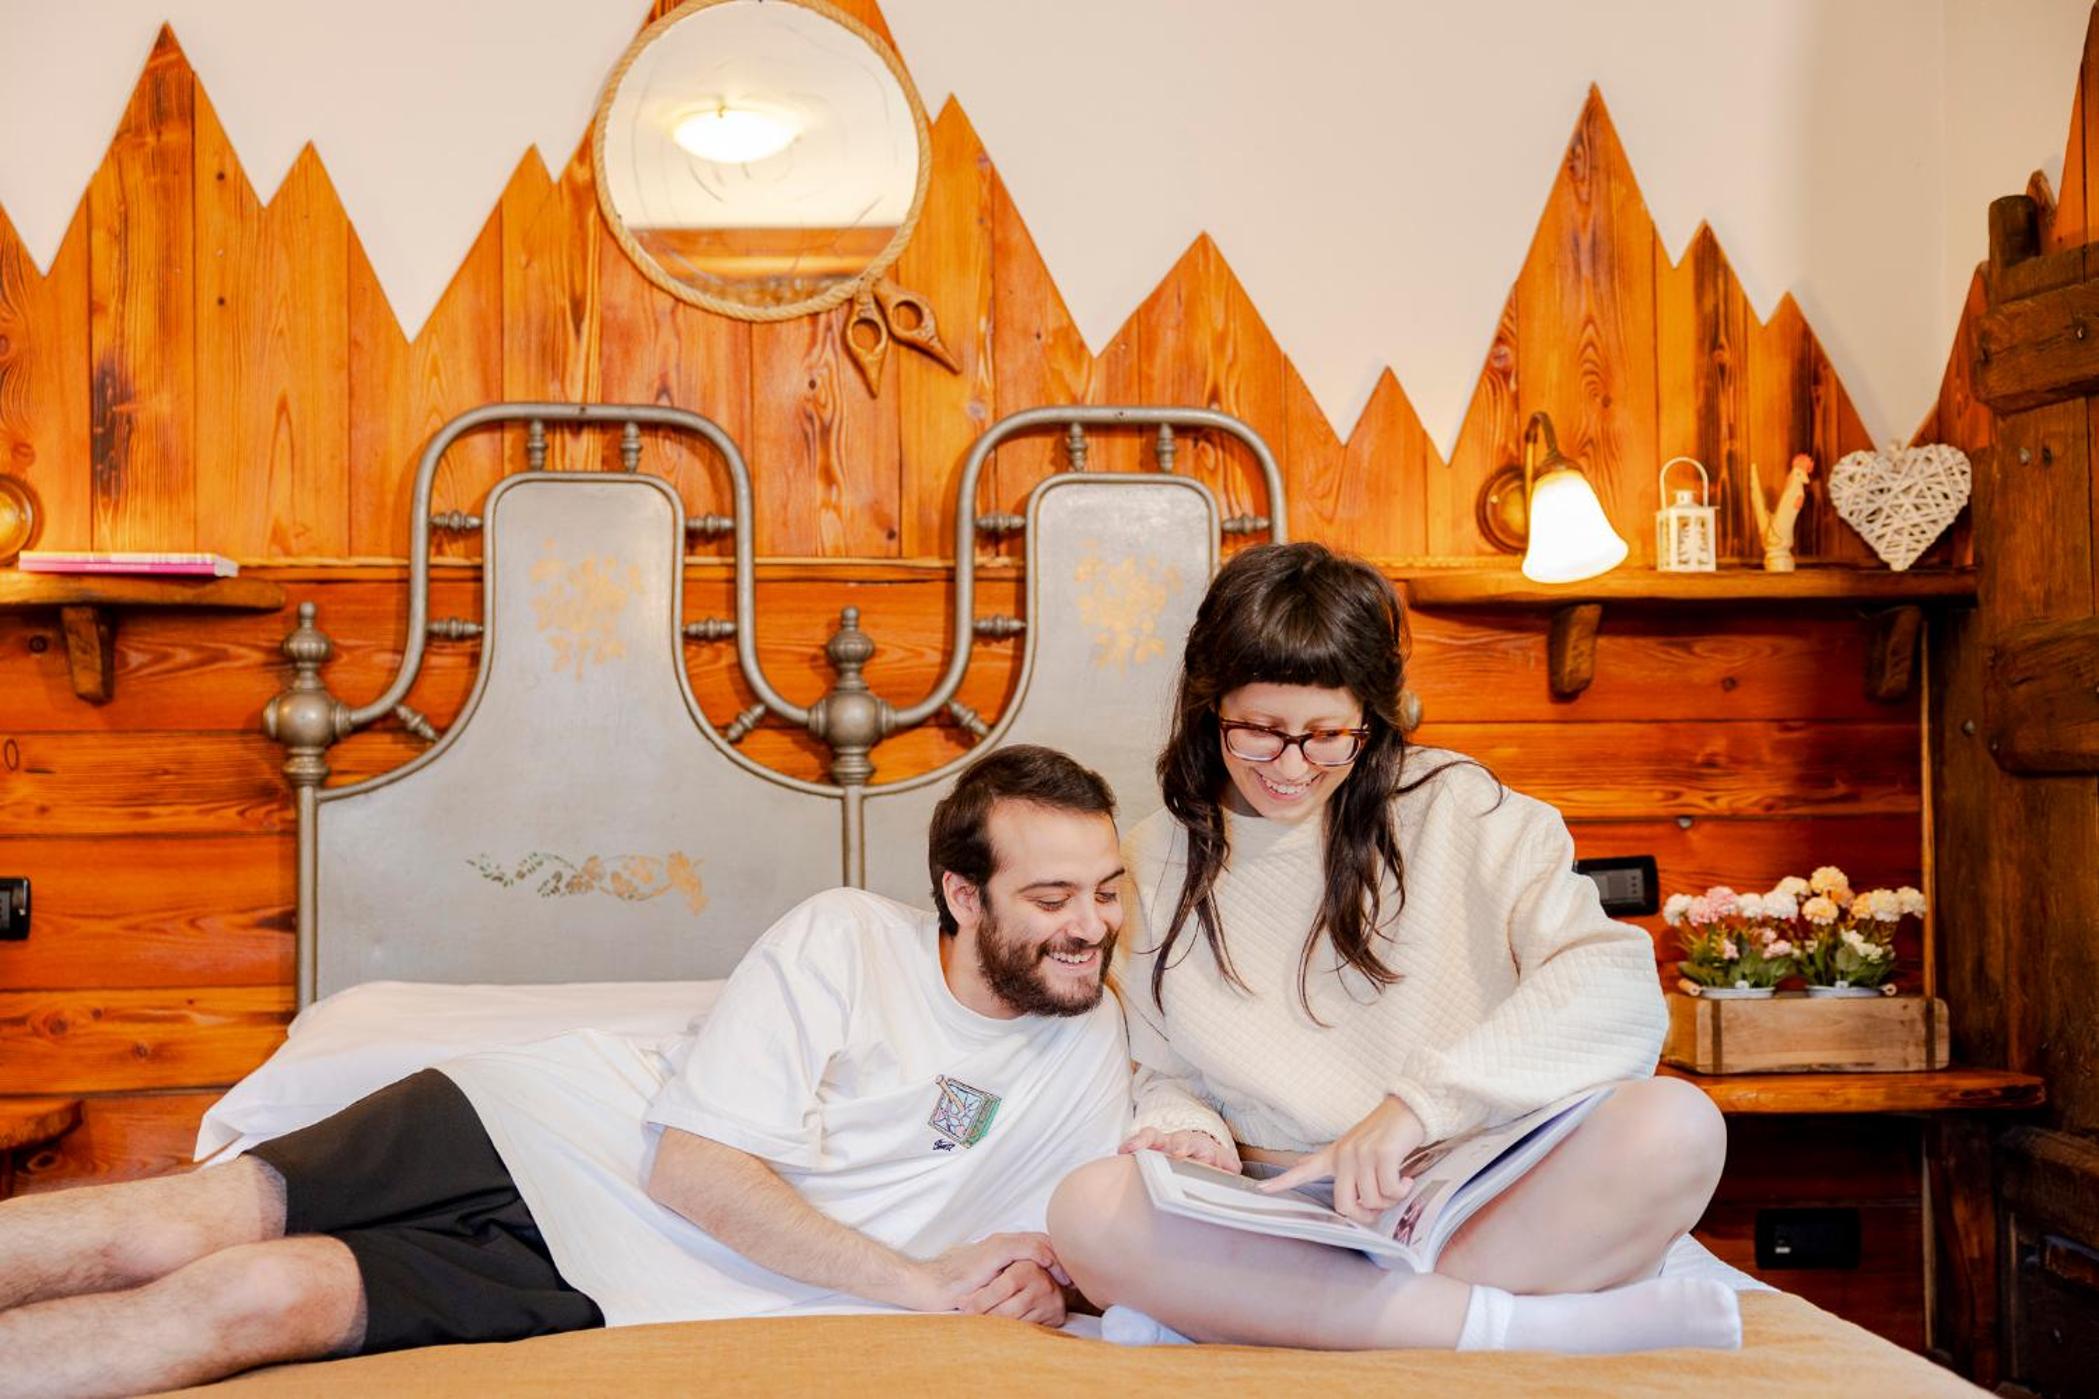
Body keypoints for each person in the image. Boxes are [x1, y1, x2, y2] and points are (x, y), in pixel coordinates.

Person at [0, 745, 1132, 1396]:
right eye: (1051, 897)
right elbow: (695, 1167)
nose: (1089, 925)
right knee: (173, 1227)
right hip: (536, 1127)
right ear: (961, 894)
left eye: (1108, 889)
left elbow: (1099, 1244)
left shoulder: (1094, 1038)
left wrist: (1058, 1286)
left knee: (261, 1297)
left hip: (619, 1281)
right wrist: (920, 1284)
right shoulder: (845, 936)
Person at [1047, 542, 1740, 1353]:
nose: (1291, 766)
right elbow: (1158, 1065)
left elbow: (1613, 988)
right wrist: (1184, 1125)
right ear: (1210, 706)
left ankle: (1334, 1318)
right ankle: (1504, 1326)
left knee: (1676, 1125)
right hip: (1275, 1205)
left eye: (1326, 735)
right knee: (1088, 1209)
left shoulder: (1462, 809)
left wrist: (1415, 1109)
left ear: (1370, 719)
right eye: (1259, 732)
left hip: (1465, 1186)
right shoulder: (1152, 856)